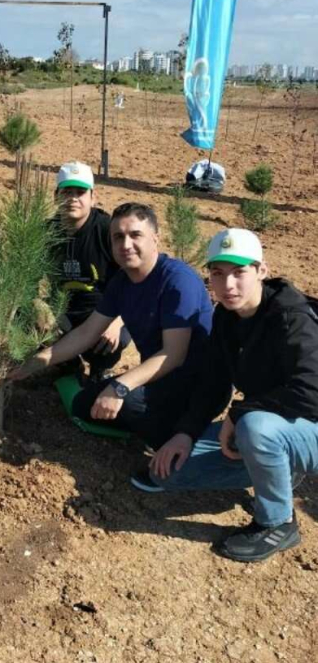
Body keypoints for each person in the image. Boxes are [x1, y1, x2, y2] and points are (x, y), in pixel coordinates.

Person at [134, 228, 318, 563]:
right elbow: (215, 382)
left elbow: (311, 392)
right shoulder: (227, 318)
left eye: (239, 272)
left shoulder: (292, 317)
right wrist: (185, 434)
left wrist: (238, 414)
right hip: (274, 424)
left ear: (262, 271)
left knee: (255, 427)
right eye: (218, 274)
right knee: (169, 471)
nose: (228, 285)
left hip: (308, 427)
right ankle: (277, 471)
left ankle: (278, 521)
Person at [13, 202, 215, 448]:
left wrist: (120, 386)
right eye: (118, 237)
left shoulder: (177, 281)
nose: (126, 244)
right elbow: (88, 332)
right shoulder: (122, 282)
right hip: (156, 380)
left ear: (155, 238)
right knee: (83, 405)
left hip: (197, 385)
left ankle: (185, 435)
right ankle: (159, 425)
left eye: (135, 235)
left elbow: (173, 355)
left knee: (127, 404)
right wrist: (37, 361)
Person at [50, 161, 130, 379]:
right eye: (67, 192)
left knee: (108, 343)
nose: (73, 198)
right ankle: (68, 365)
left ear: (93, 197)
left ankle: (99, 370)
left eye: (80, 192)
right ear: (56, 196)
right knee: (28, 320)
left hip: (104, 313)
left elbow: (133, 279)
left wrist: (116, 322)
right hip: (63, 312)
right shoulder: (47, 232)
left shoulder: (107, 230)